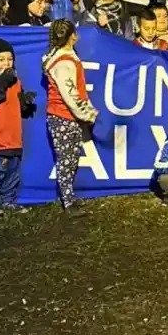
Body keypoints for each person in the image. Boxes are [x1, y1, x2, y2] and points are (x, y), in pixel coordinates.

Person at [42, 20, 99, 217]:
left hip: (68, 117)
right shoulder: (64, 63)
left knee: (71, 158)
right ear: (72, 36)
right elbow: (70, 94)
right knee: (66, 159)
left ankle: (70, 196)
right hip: (62, 116)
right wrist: (88, 113)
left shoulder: (65, 59)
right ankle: (67, 201)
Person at [0, 38, 37, 215]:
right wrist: (2, 81)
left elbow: (18, 108)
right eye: (1, 59)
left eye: (9, 59)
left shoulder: (16, 82)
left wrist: (25, 103)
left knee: (13, 173)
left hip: (14, 138)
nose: (6, 63)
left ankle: (9, 201)